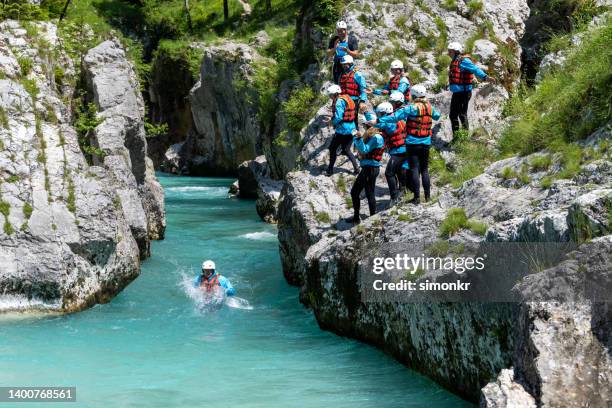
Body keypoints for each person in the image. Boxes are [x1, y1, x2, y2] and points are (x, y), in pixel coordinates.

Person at [372, 85, 441, 205]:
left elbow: (395, 117)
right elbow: (437, 116)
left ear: (414, 96)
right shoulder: (430, 107)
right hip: (426, 142)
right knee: (424, 170)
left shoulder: (412, 107)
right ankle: (428, 197)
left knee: (414, 169)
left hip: (412, 143)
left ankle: (417, 198)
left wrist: (378, 121)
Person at [447, 41, 495, 136]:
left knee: (462, 114)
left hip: (464, 92)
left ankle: (463, 138)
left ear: (456, 52)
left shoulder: (464, 61)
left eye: (450, 51)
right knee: (453, 115)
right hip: (457, 93)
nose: (448, 53)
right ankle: (457, 138)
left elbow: (475, 69)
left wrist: (485, 77)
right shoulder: (455, 60)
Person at [347, 127, 385, 224]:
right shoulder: (379, 136)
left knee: (355, 192)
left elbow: (364, 150)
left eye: (367, 126)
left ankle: (358, 218)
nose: (366, 127)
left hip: (370, 169)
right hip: (372, 168)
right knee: (369, 192)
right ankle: (371, 217)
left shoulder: (376, 137)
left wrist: (357, 138)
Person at [372, 102, 407, 204]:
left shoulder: (390, 123)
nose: (379, 116)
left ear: (386, 113)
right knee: (399, 171)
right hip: (402, 149)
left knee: (389, 173)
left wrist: (373, 122)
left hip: (399, 151)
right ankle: (402, 190)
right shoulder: (394, 118)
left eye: (381, 114)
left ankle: (394, 197)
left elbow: (385, 126)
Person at [324, 84, 360, 176]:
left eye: (330, 95)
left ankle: (330, 170)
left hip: (342, 130)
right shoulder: (347, 98)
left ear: (335, 94)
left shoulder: (339, 102)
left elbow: (339, 117)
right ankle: (356, 169)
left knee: (332, 149)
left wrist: (331, 121)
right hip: (351, 128)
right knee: (346, 149)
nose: (330, 96)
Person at [338, 54, 368, 128]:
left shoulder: (357, 74)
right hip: (343, 101)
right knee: (343, 120)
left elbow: (363, 88)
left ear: (350, 63)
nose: (344, 66)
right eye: (343, 64)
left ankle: (355, 137)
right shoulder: (341, 75)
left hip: (353, 101)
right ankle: (344, 137)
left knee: (352, 120)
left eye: (346, 64)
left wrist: (362, 101)